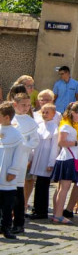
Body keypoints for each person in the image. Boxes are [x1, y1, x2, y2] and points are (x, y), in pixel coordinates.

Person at [50, 102, 78, 224]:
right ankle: (58, 214)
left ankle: (57, 213)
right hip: (67, 158)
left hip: (70, 157)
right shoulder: (65, 125)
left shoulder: (73, 124)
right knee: (64, 188)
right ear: (73, 113)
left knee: (61, 188)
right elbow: (61, 142)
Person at [11, 92, 39, 233]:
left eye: (28, 105)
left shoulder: (30, 122)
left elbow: (35, 141)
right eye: (23, 105)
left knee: (17, 190)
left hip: (20, 159)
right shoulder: (8, 118)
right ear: (15, 104)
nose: (26, 108)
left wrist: (22, 146)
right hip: (5, 159)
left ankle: (19, 222)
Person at [0, 102, 28, 239]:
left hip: (7, 175)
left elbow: (19, 155)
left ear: (6, 117)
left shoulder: (16, 135)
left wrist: (13, 171)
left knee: (7, 204)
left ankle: (6, 227)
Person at [29, 103, 58, 220]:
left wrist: (51, 163)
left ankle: (42, 211)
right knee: (38, 185)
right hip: (38, 158)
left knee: (43, 186)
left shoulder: (54, 128)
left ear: (53, 114)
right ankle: (36, 209)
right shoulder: (40, 125)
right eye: (43, 112)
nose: (45, 115)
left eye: (47, 112)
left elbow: (54, 148)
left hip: (46, 160)